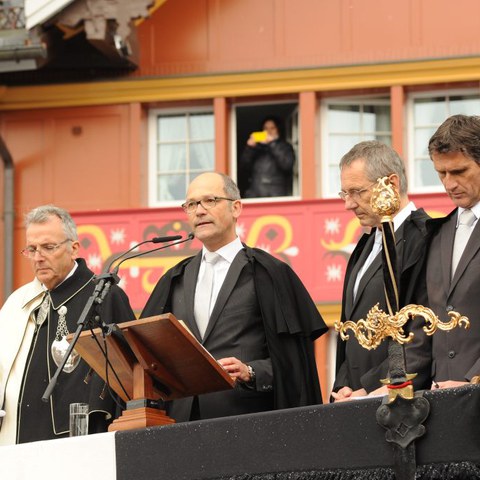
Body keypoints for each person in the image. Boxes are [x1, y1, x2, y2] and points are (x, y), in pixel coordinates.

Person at [141, 172, 327, 422]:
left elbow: (296, 366)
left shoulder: (268, 273)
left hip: (247, 423)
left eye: (210, 200)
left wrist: (251, 372)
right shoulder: (174, 279)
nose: (199, 211)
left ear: (236, 208)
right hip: (180, 425)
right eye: (192, 204)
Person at [0, 205, 135, 445]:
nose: (38, 257)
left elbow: (129, 374)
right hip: (11, 440)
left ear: (73, 248)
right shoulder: (15, 303)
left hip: (74, 444)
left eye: (48, 247)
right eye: (32, 249)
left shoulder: (104, 295)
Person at [332, 141, 431, 402]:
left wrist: (368, 389)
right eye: (344, 193)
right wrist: (343, 387)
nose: (348, 205)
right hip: (355, 399)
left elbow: (421, 331)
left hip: (399, 399)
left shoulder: (425, 237)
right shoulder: (366, 242)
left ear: (392, 183)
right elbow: (349, 329)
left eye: (356, 192)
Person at [426, 114, 480, 389]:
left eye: (459, 172)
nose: (448, 184)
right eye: (441, 174)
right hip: (442, 404)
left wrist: (473, 381)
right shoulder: (436, 233)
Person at [239, 116, 295, 198]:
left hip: (276, 194)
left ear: (278, 130)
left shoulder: (285, 146)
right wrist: (249, 148)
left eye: (272, 128)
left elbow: (287, 165)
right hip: (255, 194)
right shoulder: (256, 148)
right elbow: (243, 167)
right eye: (266, 128)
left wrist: (272, 144)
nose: (268, 131)